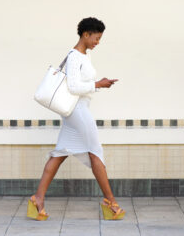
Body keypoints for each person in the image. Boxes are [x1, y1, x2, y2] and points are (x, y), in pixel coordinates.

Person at [27, 17, 126, 221]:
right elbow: (73, 87)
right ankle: (111, 202)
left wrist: (98, 84)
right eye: (96, 38)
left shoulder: (84, 56)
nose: (97, 42)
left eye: (99, 39)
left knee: (60, 153)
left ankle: (38, 198)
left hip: (75, 111)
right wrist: (98, 84)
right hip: (77, 111)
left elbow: (81, 86)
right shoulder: (74, 56)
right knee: (95, 152)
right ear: (85, 34)